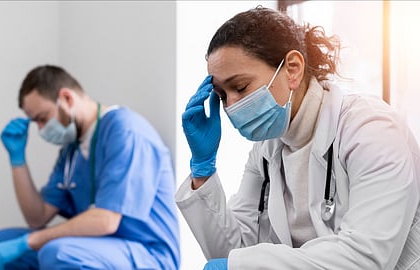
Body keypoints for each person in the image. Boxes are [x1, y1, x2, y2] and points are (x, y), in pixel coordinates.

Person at [176, 6, 420, 270]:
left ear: (292, 69)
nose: (231, 106)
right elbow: (233, 253)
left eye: (241, 87)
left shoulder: (371, 129)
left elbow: (364, 258)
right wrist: (202, 169)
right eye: (222, 95)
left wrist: (241, 266)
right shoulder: (266, 151)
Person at [0, 65, 180, 270]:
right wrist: (17, 159)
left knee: (58, 253)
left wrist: (31, 241)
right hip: (98, 248)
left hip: (148, 254)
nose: (41, 129)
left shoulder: (125, 130)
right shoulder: (71, 151)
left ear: (67, 98)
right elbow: (37, 217)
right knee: (3, 242)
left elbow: (106, 221)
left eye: (42, 119)